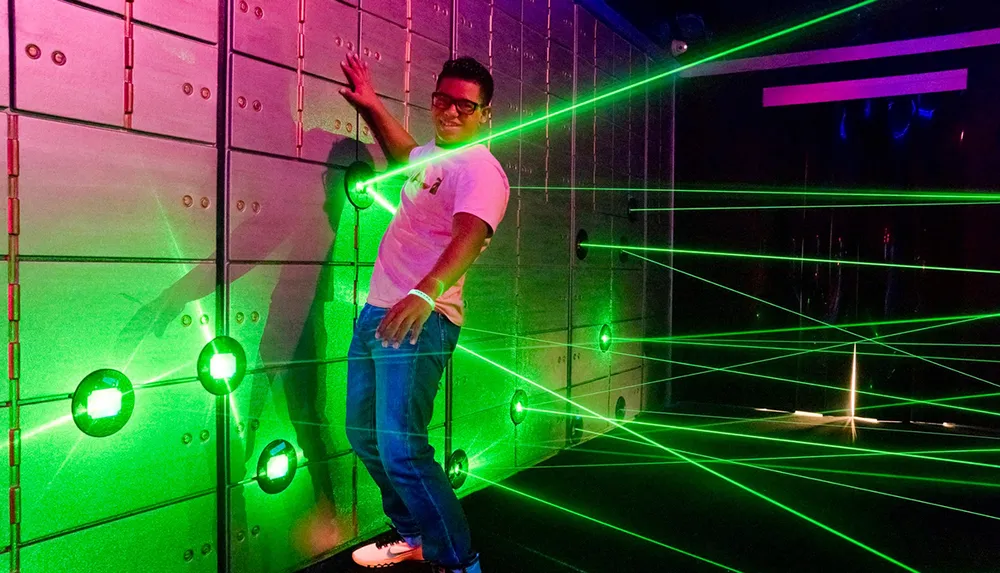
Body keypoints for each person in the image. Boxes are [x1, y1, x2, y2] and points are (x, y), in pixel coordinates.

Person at [338, 53, 509, 573]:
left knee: (403, 451)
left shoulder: (481, 170)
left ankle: (459, 561)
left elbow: (470, 235)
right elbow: (406, 155)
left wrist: (426, 293)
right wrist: (370, 105)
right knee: (365, 435)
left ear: (486, 115)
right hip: (378, 313)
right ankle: (413, 534)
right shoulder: (436, 155)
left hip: (420, 319)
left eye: (465, 105)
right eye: (443, 100)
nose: (451, 111)